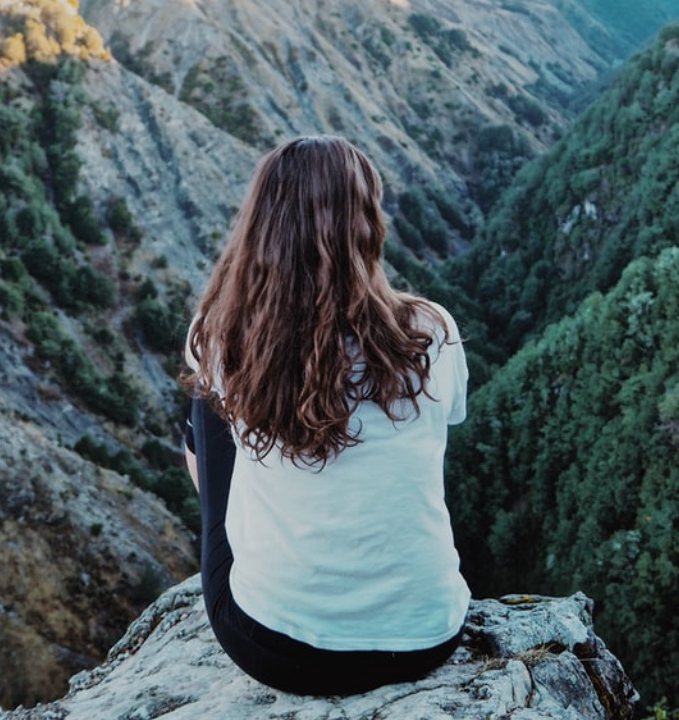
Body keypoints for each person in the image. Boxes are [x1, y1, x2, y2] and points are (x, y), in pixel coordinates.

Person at [179, 135, 470, 696]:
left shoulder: (221, 335)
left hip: (274, 648)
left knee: (209, 401)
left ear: (262, 228)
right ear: (368, 223)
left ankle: (284, 559)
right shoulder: (432, 331)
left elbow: (207, 453)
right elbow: (441, 431)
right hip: (427, 634)